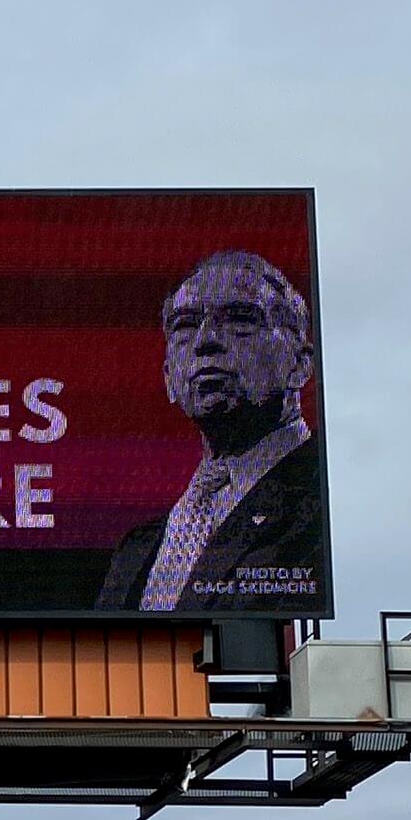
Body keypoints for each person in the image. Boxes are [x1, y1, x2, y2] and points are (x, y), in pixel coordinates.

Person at [96, 251, 328, 613]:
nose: (206, 340)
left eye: (239, 318)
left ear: (299, 365)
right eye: (186, 325)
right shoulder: (135, 550)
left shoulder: (323, 501)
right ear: (169, 378)